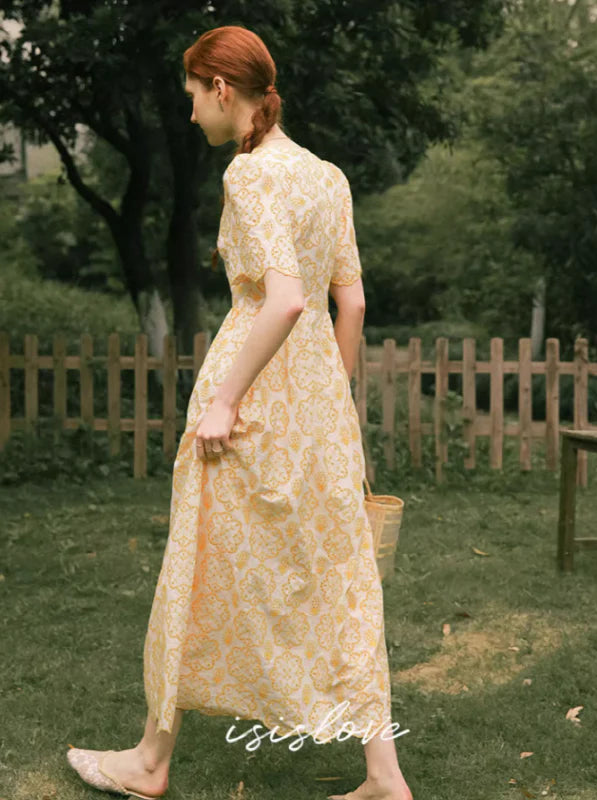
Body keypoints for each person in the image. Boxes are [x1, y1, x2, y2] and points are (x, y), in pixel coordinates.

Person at [66, 24, 413, 800]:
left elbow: (285, 298)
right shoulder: (328, 177)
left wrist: (223, 401)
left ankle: (151, 762)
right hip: (319, 405)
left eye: (192, 95)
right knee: (341, 579)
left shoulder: (250, 178)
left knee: (195, 564)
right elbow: (348, 299)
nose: (190, 113)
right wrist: (333, 405)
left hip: (250, 400)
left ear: (223, 89)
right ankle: (384, 778)